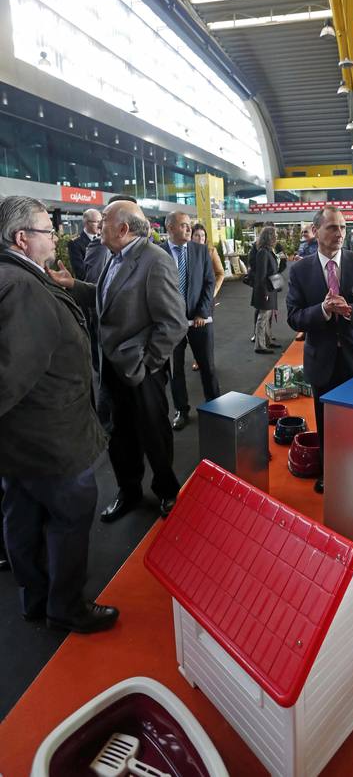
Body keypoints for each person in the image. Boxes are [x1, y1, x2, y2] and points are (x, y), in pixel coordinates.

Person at [0, 196, 118, 633]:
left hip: (24, 439)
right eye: (47, 231)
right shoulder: (23, 287)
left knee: (22, 514)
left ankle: (35, 597)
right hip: (50, 437)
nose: (56, 237)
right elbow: (13, 372)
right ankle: (65, 607)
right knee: (69, 517)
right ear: (22, 238)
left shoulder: (20, 277)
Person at [48, 201, 188, 523]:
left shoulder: (155, 261)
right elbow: (106, 297)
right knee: (119, 435)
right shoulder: (115, 256)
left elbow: (174, 323)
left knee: (153, 433)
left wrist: (148, 363)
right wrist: (73, 286)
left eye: (106, 220)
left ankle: (167, 491)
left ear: (123, 229)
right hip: (110, 366)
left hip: (141, 371)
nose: (99, 226)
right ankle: (130, 491)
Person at [287, 205, 353, 493]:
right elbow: (294, 316)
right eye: (332, 227)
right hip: (323, 361)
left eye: (343, 227)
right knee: (326, 422)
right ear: (316, 231)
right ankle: (330, 472)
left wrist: (349, 311)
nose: (340, 233)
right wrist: (321, 310)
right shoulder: (300, 270)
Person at [160, 212, 220, 430]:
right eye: (183, 226)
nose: (188, 229)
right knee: (176, 371)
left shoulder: (201, 250)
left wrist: (202, 313)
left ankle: (215, 407)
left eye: (189, 226)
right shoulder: (158, 252)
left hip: (199, 320)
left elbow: (209, 282)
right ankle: (181, 411)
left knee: (208, 367)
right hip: (170, 324)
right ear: (170, 228)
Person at [191, 222, 225, 372]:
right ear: (191, 237)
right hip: (190, 300)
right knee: (192, 332)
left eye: (202, 236)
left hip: (206, 298)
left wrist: (212, 292)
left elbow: (220, 273)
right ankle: (197, 359)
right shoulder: (186, 252)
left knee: (206, 333)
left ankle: (207, 360)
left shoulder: (210, 251)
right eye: (197, 235)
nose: (200, 239)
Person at [252, 225, 282, 355]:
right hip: (266, 290)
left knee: (266, 317)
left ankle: (267, 341)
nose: (276, 237)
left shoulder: (268, 251)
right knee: (262, 318)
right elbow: (261, 276)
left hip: (270, 289)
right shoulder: (263, 252)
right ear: (269, 237)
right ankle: (260, 345)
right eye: (274, 235)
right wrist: (264, 293)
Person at [67, 208, 102, 279]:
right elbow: (80, 272)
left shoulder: (103, 240)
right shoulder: (75, 243)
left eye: (101, 222)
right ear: (86, 223)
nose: (100, 225)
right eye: (96, 222)